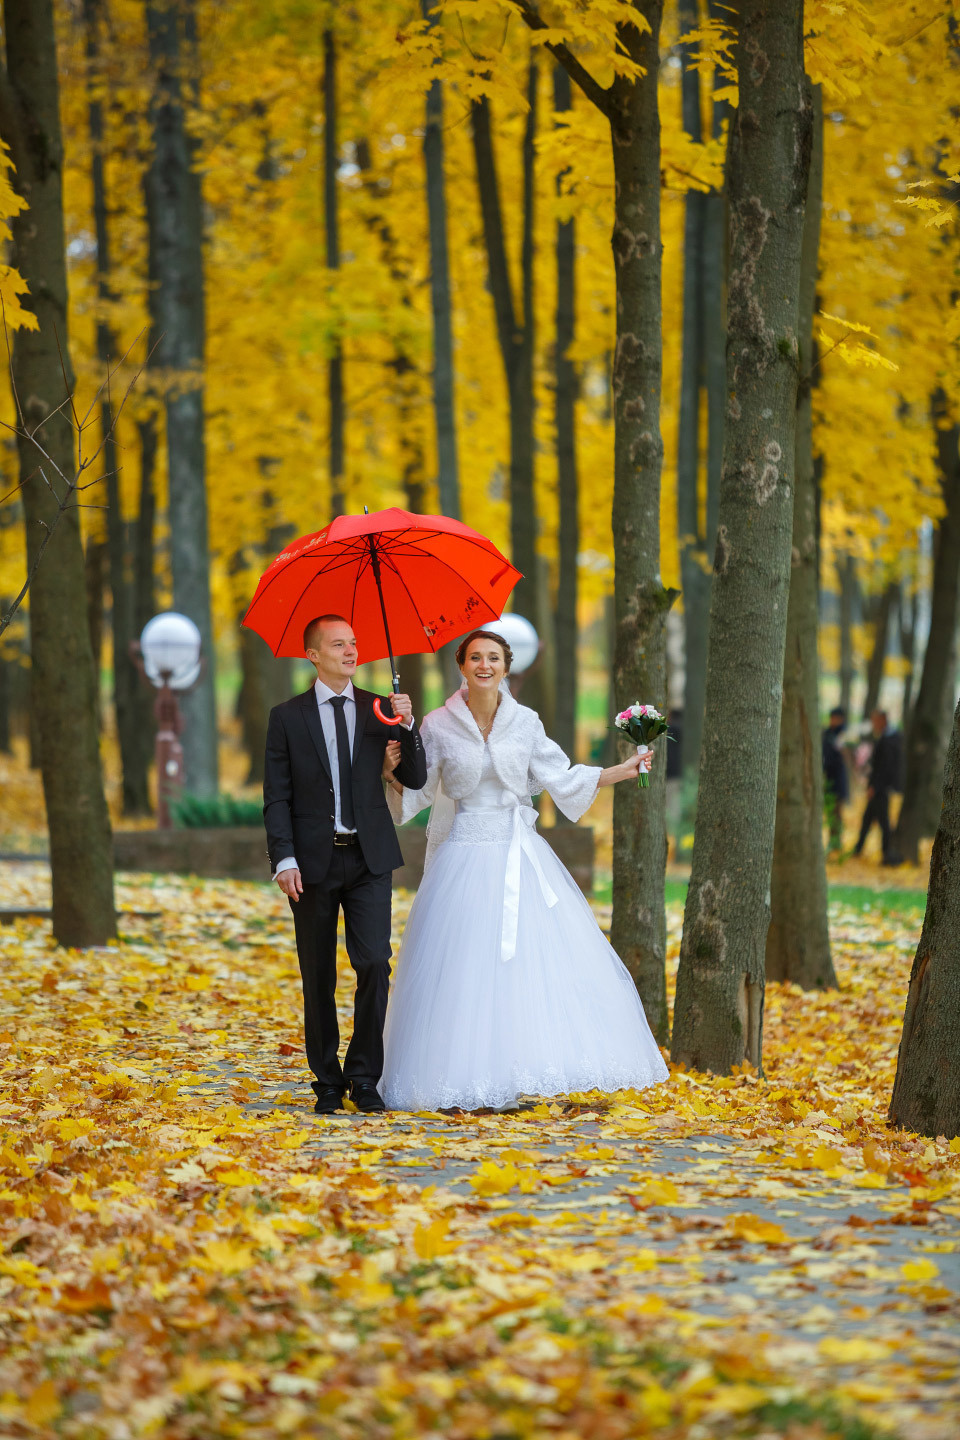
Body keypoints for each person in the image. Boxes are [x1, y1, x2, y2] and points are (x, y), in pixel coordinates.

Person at [379, 628, 669, 1113]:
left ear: (507, 666)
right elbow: (418, 790)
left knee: (525, 967)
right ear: (462, 665)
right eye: (475, 657)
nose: (484, 665)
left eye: (494, 657)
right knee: (465, 967)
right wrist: (391, 769)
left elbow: (561, 775)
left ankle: (522, 1070)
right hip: (464, 857)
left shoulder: (526, 722)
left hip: (520, 855)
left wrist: (621, 770)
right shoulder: (437, 723)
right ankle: (461, 1075)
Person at [263, 615, 428, 1114]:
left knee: (375, 962)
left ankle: (364, 1077)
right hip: (311, 863)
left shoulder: (380, 708)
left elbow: (416, 778)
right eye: (339, 645)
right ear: (313, 654)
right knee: (318, 973)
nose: (351, 651)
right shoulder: (286, 716)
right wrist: (283, 857)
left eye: (354, 644)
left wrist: (408, 725)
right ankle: (327, 1082)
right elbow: (277, 796)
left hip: (369, 857)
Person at [853, 708, 903, 866]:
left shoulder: (889, 739)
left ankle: (887, 853)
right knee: (868, 818)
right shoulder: (889, 737)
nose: (873, 724)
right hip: (879, 787)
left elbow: (885, 766)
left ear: (882, 720)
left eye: (875, 720)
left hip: (880, 789)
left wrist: (874, 786)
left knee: (883, 822)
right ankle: (858, 849)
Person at [821, 706, 849, 856]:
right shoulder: (827, 733)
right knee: (830, 811)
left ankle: (836, 842)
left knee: (837, 812)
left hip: (838, 780)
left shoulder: (844, 735)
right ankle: (832, 841)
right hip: (828, 778)